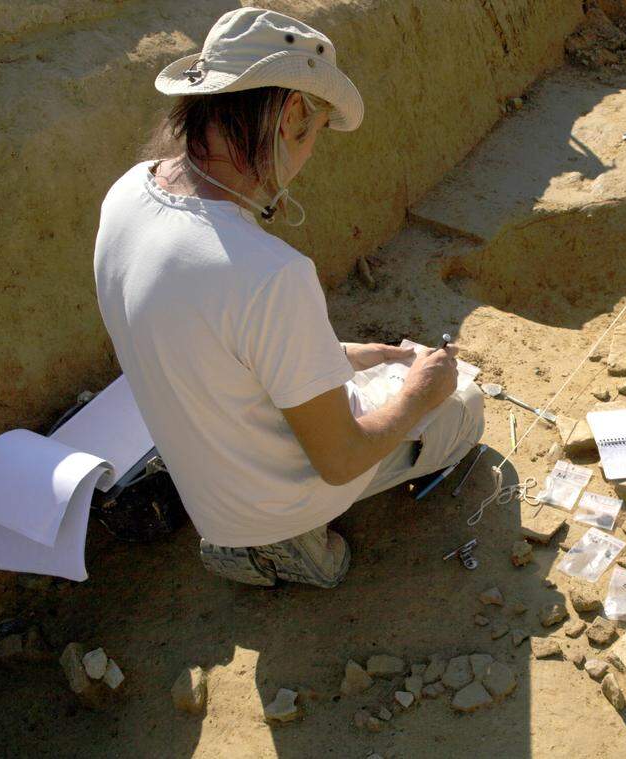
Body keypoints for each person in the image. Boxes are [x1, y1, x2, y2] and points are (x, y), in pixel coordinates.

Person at [93, 7, 484, 589]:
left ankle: (257, 535)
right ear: (294, 113)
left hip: (208, 485)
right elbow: (342, 458)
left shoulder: (128, 191)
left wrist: (365, 353)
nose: (310, 153)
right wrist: (424, 391)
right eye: (318, 131)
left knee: (388, 376)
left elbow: (230, 352)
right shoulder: (269, 274)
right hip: (265, 507)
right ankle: (284, 544)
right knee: (464, 405)